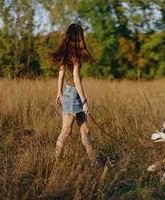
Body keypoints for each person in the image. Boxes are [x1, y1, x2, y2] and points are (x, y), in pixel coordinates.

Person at [51, 23, 96, 163]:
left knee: (85, 131)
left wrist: (59, 92)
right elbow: (76, 80)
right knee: (66, 131)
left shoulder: (68, 53)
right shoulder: (73, 57)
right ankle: (55, 160)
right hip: (72, 96)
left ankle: (94, 163)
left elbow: (61, 73)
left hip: (70, 94)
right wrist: (84, 101)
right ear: (78, 37)